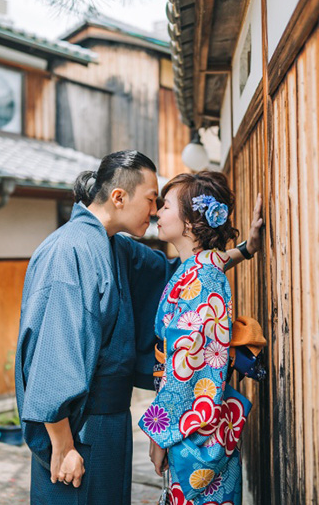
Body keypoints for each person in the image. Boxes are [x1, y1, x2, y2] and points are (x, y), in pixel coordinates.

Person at [15, 151, 262, 505]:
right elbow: (54, 351)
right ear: (119, 197)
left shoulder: (117, 247)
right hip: (77, 430)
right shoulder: (68, 251)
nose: (155, 210)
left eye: (162, 204)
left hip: (109, 422)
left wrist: (244, 250)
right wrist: (63, 444)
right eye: (151, 200)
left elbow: (187, 272)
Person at [139, 171, 255, 504]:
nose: (157, 213)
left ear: (191, 222)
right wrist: (248, 248)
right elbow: (218, 257)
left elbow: (185, 365)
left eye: (166, 206)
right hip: (200, 425)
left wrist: (160, 434)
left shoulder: (201, 279)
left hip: (195, 428)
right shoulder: (199, 269)